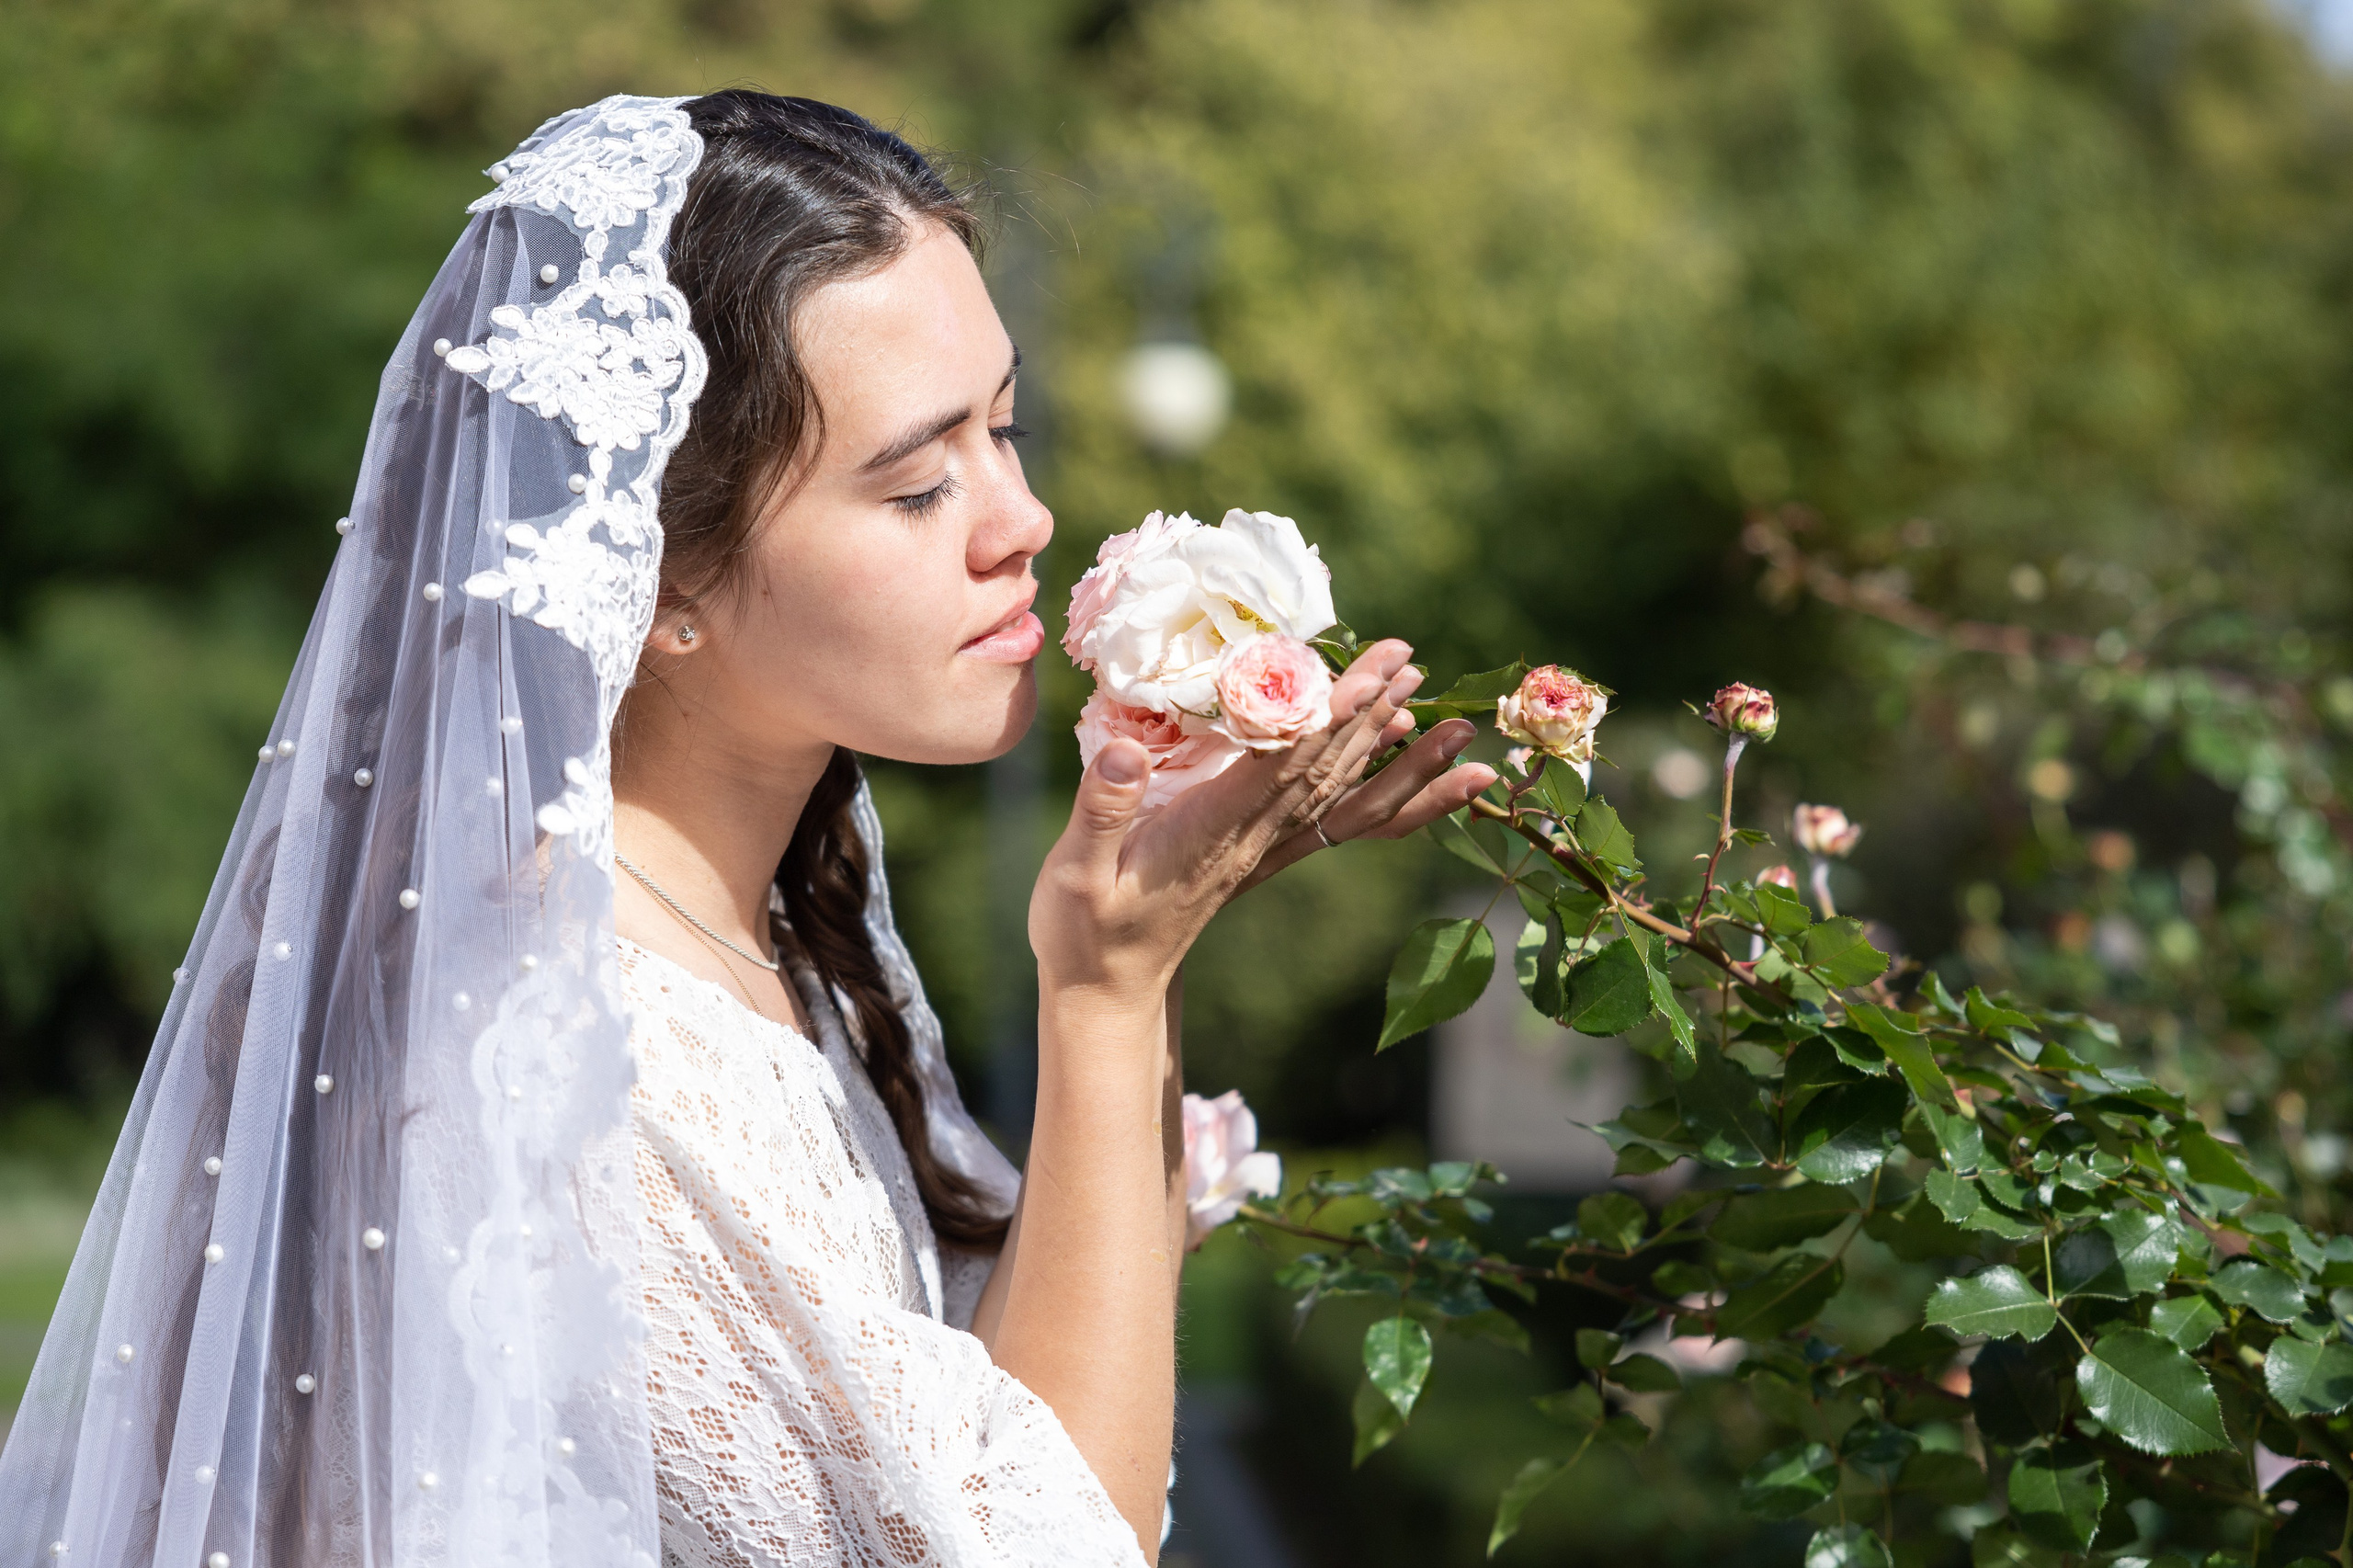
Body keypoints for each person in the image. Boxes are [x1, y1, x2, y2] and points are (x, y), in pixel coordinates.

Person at [0, 91, 1492, 1567]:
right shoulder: (561, 1053)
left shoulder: (763, 928)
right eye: (917, 484)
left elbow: (988, 1427)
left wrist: (1157, 906)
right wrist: (1111, 985)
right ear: (665, 589)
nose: (1021, 519)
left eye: (1007, 427)